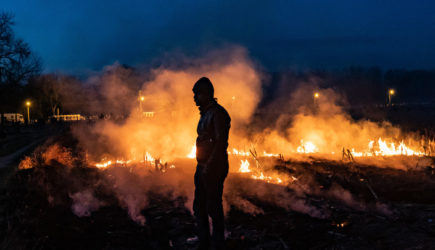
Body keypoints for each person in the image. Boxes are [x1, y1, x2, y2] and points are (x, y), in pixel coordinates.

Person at [192, 77, 231, 249]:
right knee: (199, 207)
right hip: (203, 166)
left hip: (213, 168)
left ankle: (217, 244)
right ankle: (204, 243)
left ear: (207, 94)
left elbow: (221, 143)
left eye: (198, 94)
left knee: (213, 208)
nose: (195, 98)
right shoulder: (206, 113)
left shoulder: (218, 114)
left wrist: (209, 167)